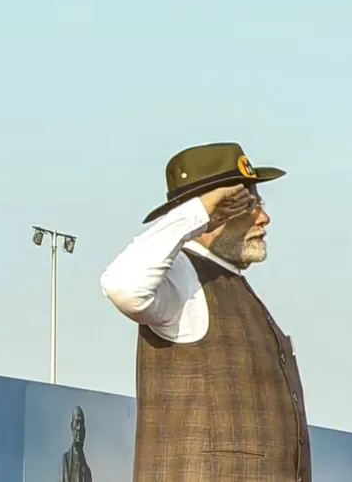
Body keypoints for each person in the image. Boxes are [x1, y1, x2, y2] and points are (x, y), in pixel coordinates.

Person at [100, 142, 311, 482]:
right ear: (212, 213)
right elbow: (122, 286)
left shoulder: (233, 287)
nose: (264, 217)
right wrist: (195, 214)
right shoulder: (180, 276)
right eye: (247, 204)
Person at [62, 406, 93, 482]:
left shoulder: (87, 471)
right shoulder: (65, 460)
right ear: (72, 427)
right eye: (77, 423)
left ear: (85, 432)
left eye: (81, 424)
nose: (79, 428)